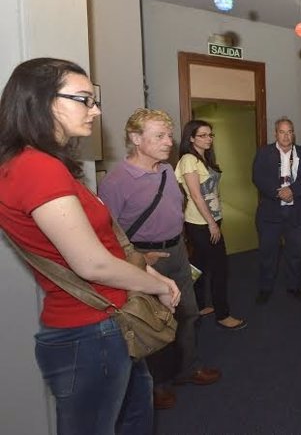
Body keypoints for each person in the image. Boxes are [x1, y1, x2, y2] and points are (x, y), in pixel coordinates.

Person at [0, 58, 181, 434]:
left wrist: (142, 270)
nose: (95, 110)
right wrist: (160, 285)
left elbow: (104, 244)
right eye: (84, 99)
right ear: (44, 102)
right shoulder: (36, 168)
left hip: (102, 322)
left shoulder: (39, 164)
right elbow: (92, 264)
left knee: (135, 414)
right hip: (90, 330)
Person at [98, 108, 221, 410]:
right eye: (160, 136)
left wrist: (181, 241)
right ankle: (155, 385)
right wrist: (138, 257)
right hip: (144, 260)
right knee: (152, 324)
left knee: (188, 314)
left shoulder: (167, 170)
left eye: (169, 135)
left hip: (177, 251)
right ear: (136, 139)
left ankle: (188, 369)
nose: (169, 141)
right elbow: (106, 234)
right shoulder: (117, 182)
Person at [175, 119, 246, 329]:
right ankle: (223, 315)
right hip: (200, 222)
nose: (208, 139)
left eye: (210, 135)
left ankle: (195, 305)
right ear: (191, 138)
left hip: (210, 219)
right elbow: (196, 197)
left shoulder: (204, 158)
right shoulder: (189, 159)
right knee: (220, 268)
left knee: (199, 265)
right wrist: (212, 224)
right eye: (202, 135)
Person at [252, 117, 301, 304]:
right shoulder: (263, 153)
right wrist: (279, 193)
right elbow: (257, 177)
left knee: (295, 252)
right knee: (267, 253)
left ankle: (293, 286)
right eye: (282, 132)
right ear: (275, 133)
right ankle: (265, 288)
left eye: (289, 132)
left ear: (293, 133)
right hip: (270, 214)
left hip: (297, 213)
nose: (286, 136)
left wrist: (292, 191)